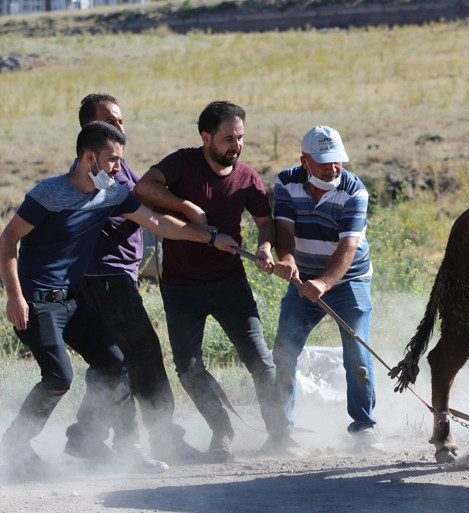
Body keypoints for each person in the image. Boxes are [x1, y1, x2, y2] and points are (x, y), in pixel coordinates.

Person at [0, 122, 238, 477]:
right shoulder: (48, 194)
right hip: (36, 302)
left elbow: (157, 223)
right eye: (112, 159)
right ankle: (15, 446)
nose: (118, 167)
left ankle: (127, 449)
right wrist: (15, 296)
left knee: (116, 364)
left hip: (72, 300)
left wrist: (209, 238)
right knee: (58, 377)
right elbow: (7, 240)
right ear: (89, 158)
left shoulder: (110, 193)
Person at [133, 101, 278, 462]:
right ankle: (222, 430)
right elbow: (143, 188)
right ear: (206, 137)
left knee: (261, 361)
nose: (236, 145)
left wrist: (265, 248)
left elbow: (265, 223)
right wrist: (187, 207)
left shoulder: (248, 177)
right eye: (229, 138)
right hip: (180, 287)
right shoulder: (182, 163)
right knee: (188, 368)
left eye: (240, 137)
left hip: (230, 282)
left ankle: (280, 434)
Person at [68, 93, 200, 464]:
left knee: (111, 361)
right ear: (90, 128)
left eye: (121, 120)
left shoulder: (115, 164)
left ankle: (85, 437)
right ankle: (156, 442)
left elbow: (145, 196)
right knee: (141, 357)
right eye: (110, 121)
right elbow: (149, 215)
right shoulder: (96, 174)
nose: (119, 126)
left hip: (109, 277)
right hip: (105, 278)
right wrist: (201, 230)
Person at [269, 125, 380, 452]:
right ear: (304, 161)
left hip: (349, 280)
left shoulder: (354, 190)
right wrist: (287, 259)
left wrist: (324, 282)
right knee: (284, 351)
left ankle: (364, 427)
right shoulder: (286, 181)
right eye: (324, 161)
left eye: (337, 160)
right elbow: (283, 229)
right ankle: (280, 434)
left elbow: (348, 247)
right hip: (303, 279)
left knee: (357, 354)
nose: (333, 168)